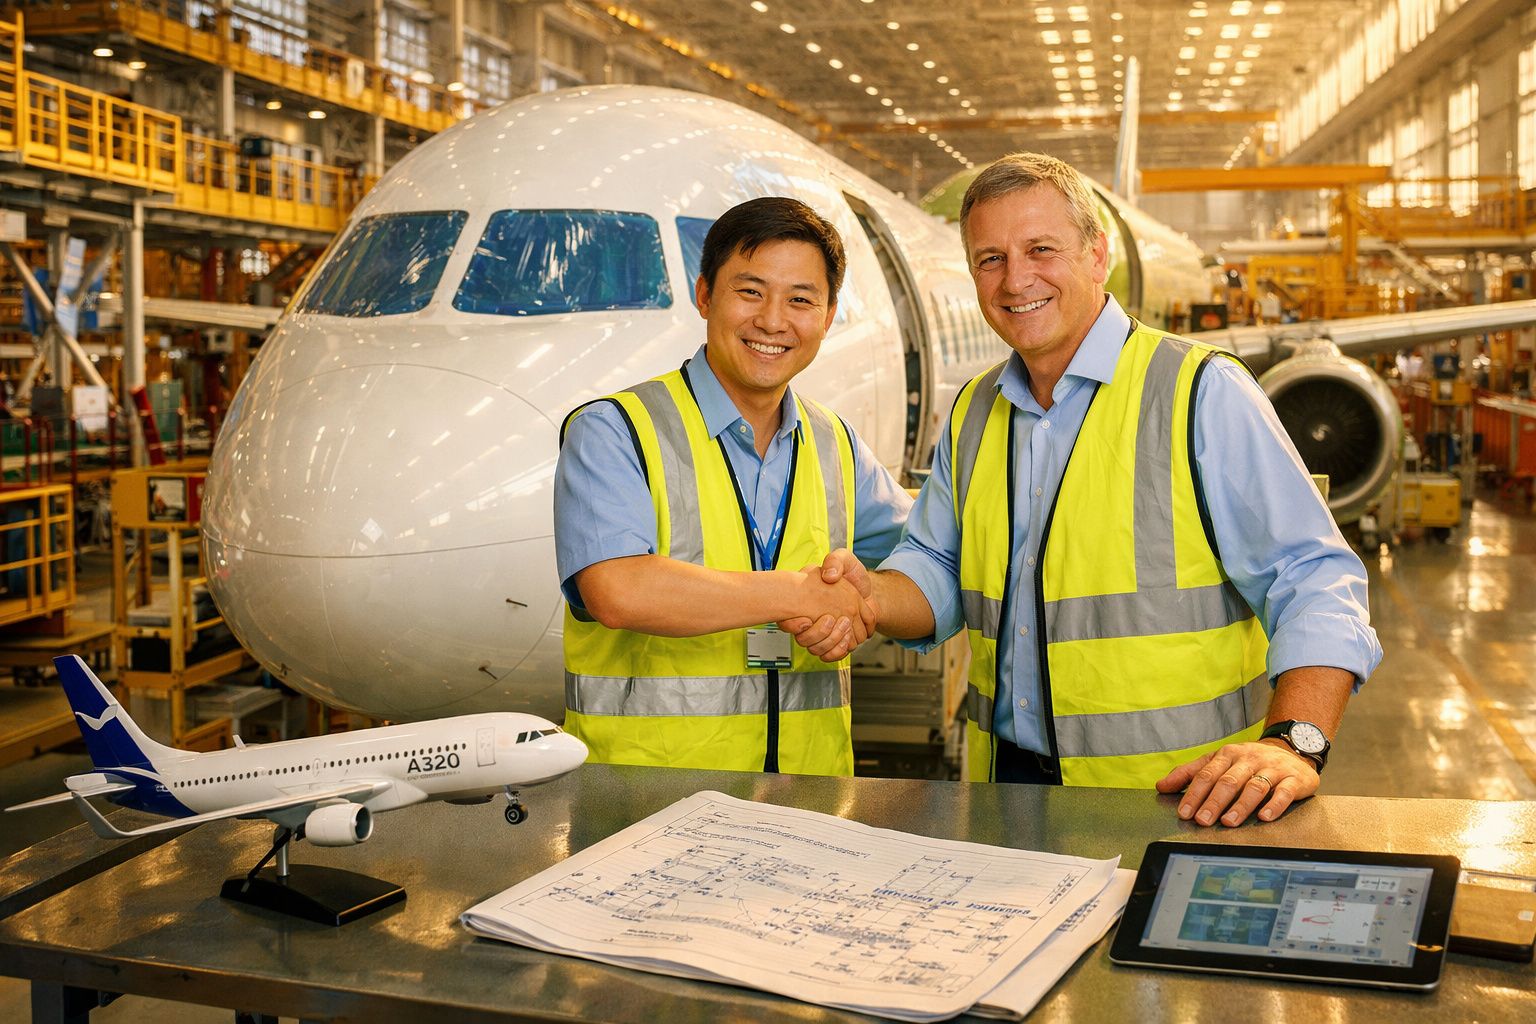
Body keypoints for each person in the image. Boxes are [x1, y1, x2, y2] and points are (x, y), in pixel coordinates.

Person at [792, 154, 1381, 825]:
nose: (1017, 280)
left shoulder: (1196, 393)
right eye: (991, 259)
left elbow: (1314, 575)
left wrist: (1294, 742)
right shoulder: (977, 411)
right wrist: (871, 596)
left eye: (1041, 249)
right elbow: (939, 568)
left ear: (1098, 255)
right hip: (1004, 793)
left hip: (1175, 799)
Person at [554, 196, 912, 776]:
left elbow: (922, 562)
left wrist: (862, 600)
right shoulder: (615, 431)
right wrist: (804, 595)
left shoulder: (834, 443)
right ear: (704, 296)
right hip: (645, 809)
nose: (773, 321)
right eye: (750, 292)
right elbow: (617, 591)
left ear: (827, 315)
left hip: (809, 804)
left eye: (800, 300)